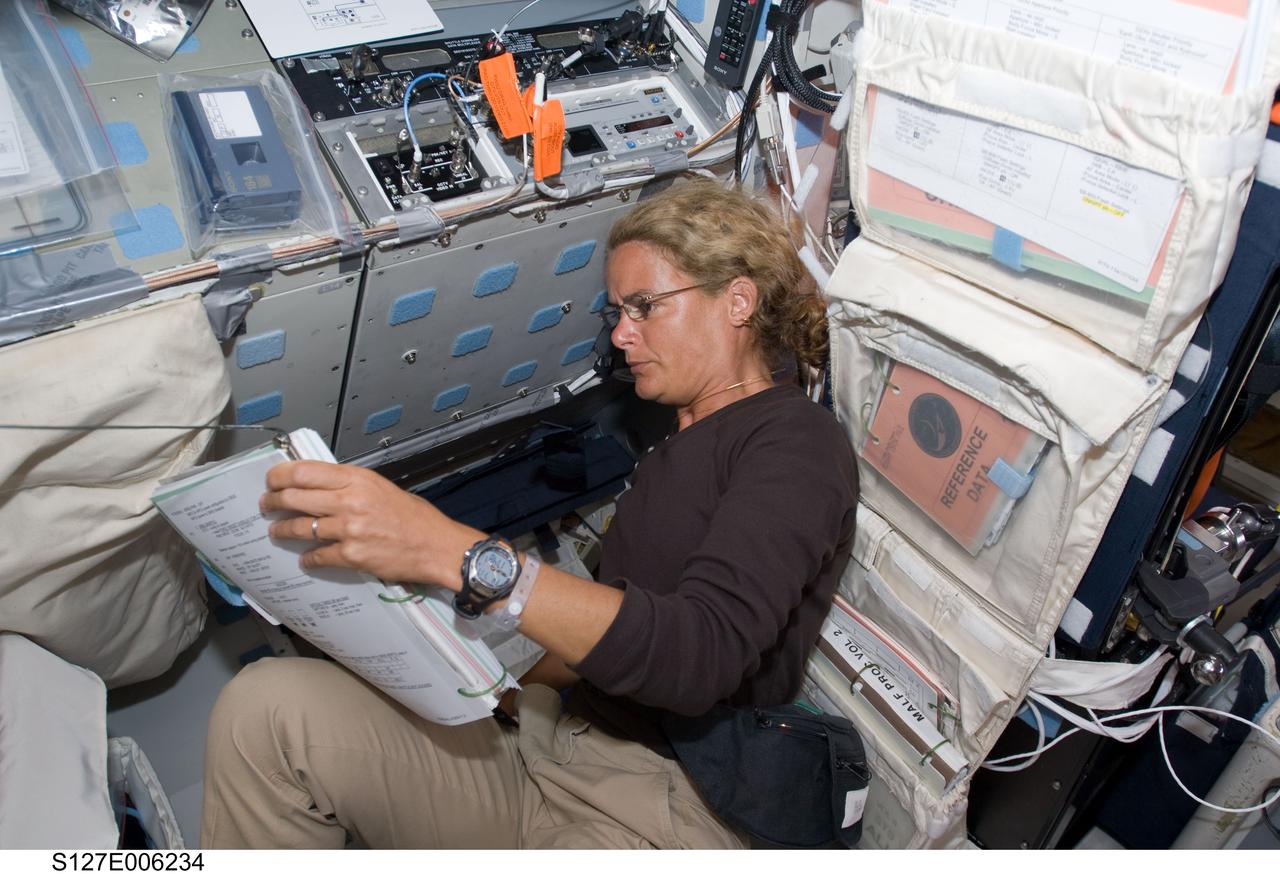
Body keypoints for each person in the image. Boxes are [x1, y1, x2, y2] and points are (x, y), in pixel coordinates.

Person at [200, 178, 859, 849]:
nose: (623, 335)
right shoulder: (671, 451)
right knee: (267, 712)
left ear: (737, 302)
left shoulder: (794, 439)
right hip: (548, 748)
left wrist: (451, 553)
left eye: (644, 307)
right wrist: (501, 691)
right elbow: (609, 631)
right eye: (616, 314)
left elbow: (700, 656)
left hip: (663, 803)